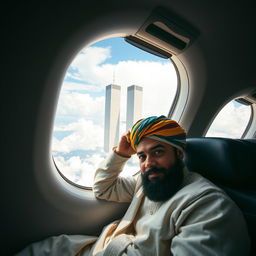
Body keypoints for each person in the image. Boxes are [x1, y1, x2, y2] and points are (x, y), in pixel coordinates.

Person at [16, 115, 250, 255]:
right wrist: (120, 154)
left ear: (179, 155)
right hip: (101, 248)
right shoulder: (147, 181)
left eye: (158, 152)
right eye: (142, 156)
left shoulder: (209, 207)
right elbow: (103, 188)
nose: (149, 163)